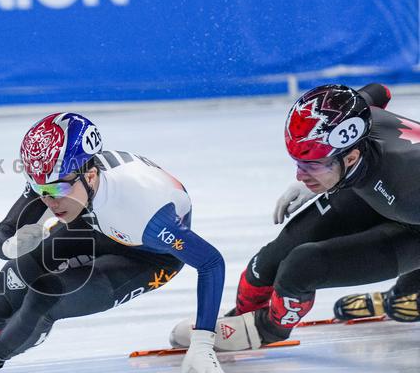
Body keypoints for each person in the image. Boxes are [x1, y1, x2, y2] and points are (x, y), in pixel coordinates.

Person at [0, 112, 232, 373]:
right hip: (98, 222)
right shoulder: (63, 176)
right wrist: (9, 244)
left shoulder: (146, 213)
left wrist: (203, 341)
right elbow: (6, 231)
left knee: (46, 296)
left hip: (149, 254)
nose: (50, 203)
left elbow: (211, 263)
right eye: (40, 191)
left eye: (56, 191)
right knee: (16, 273)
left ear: (91, 175)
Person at [171, 83, 420, 350]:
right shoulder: (353, 116)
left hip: (410, 214)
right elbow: (379, 91)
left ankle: (265, 330)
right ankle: (242, 318)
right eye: (298, 163)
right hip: (374, 190)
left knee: (302, 267)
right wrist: (317, 174)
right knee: (267, 263)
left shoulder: (407, 183)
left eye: (311, 164)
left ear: (350, 158)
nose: (299, 175)